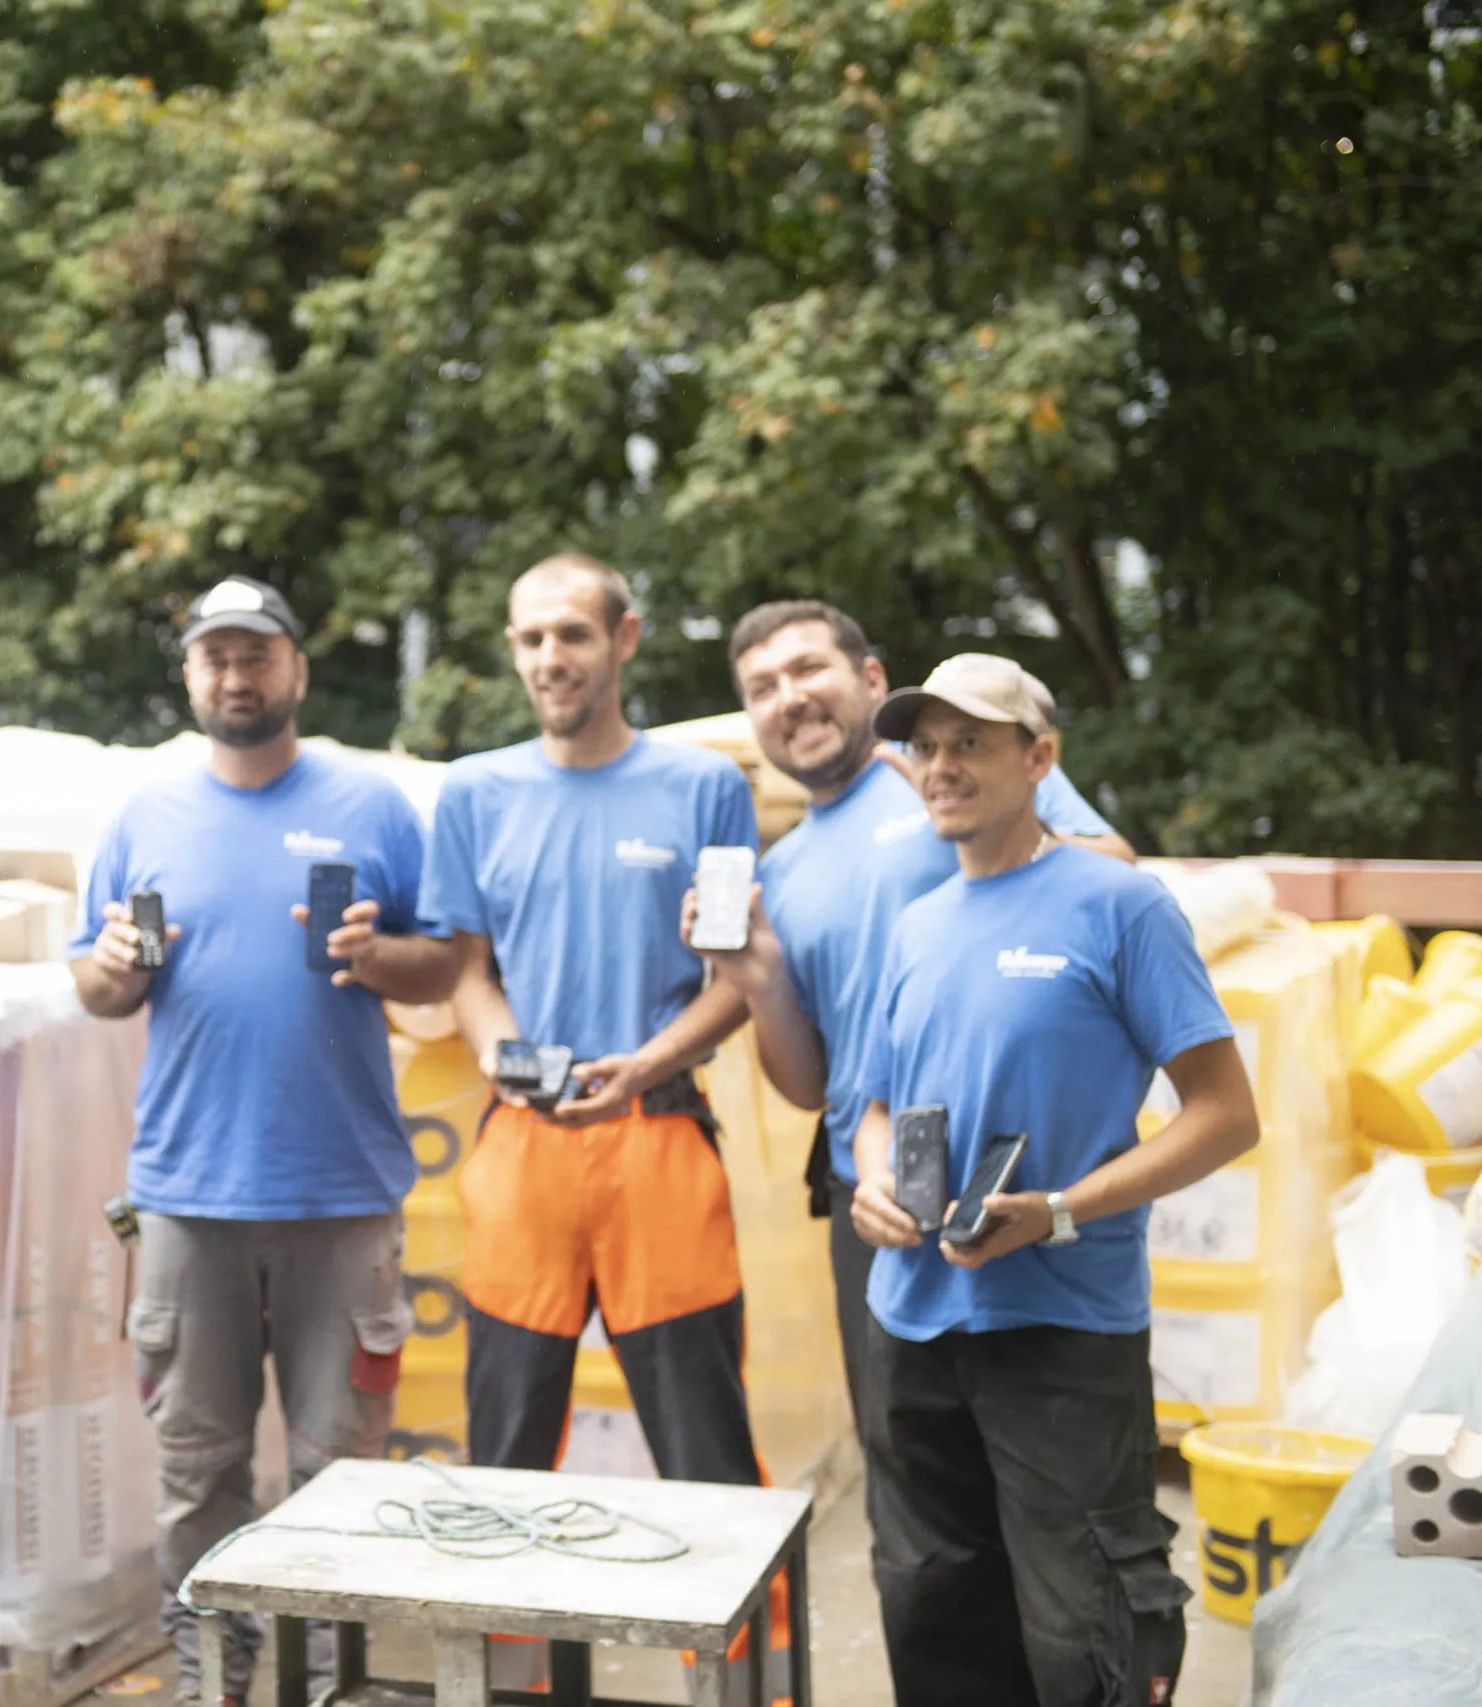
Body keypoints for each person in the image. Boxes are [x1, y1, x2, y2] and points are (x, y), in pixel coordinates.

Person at [69, 575, 458, 1706]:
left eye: (257, 656)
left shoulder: (375, 804)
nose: (236, 677)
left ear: (295, 669)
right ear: (190, 676)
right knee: (199, 1473)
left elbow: (445, 966)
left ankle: (330, 1682)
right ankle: (212, 1683)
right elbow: (95, 987)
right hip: (191, 1197)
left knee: (340, 1472)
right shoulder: (144, 817)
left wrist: (380, 957)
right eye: (214, 659)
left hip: (342, 1194)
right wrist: (113, 968)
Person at [849, 654, 1256, 1707]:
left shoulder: (1120, 906)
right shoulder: (914, 924)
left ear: (1039, 758)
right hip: (912, 1326)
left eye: (971, 742)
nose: (942, 765)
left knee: (1087, 1629)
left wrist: (1061, 1211)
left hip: (1063, 1326)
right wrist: (870, 1182)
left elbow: (1223, 1116)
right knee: (931, 1609)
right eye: (926, 746)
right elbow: (874, 1107)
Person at [695, 599, 1131, 1429]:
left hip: (1020, 1180)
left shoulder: (961, 766)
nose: (788, 697)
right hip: (879, 1200)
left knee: (1056, 1498)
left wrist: (948, 788)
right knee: (912, 1498)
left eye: (807, 669)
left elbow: (1118, 869)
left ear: (869, 678)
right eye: (762, 686)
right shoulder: (778, 873)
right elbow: (815, 1084)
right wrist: (758, 979)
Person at [422, 554, 762, 1485]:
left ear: (624, 637)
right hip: (523, 1144)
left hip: (657, 1134)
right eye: (530, 638)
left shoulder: (704, 787)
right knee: (506, 1455)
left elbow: (739, 979)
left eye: (571, 633)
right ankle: (511, 1639)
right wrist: (504, 1055)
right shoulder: (474, 792)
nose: (549, 657)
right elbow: (465, 971)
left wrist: (647, 1064)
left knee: (708, 1453)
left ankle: (745, 1641)